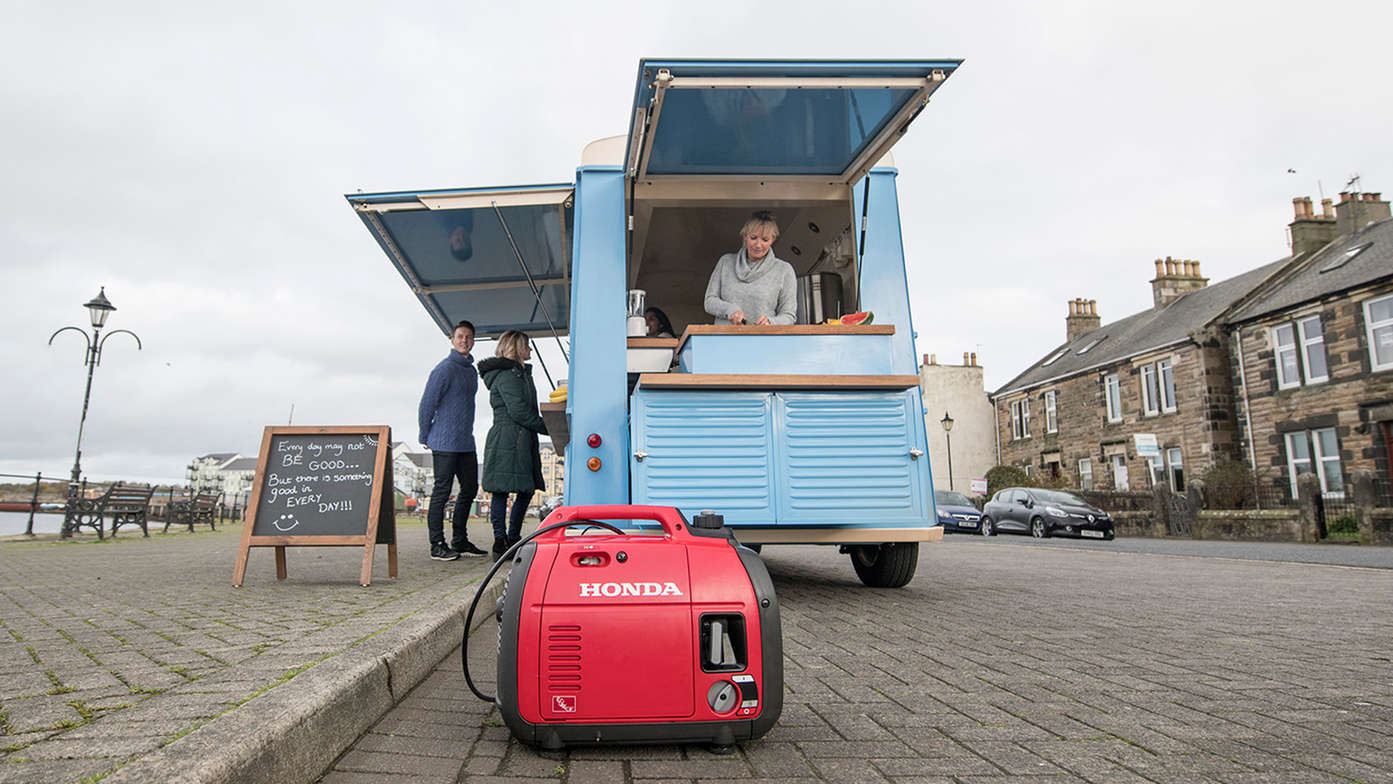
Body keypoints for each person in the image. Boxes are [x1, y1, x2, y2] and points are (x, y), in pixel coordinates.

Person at [417, 320, 487, 560]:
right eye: (460, 336)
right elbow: (427, 404)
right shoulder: (444, 369)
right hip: (444, 441)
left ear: (473, 341)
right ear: (452, 340)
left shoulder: (471, 371)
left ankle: (459, 540)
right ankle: (437, 544)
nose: (464, 340)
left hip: (465, 442)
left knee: (470, 488)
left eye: (468, 337)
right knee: (442, 491)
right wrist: (424, 434)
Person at [478, 330, 549, 560]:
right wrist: (548, 427)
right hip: (509, 438)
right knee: (503, 490)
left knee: (523, 489)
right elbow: (518, 411)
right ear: (517, 348)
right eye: (527, 346)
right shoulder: (509, 375)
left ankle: (511, 539)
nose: (530, 350)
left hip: (518, 437)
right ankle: (503, 541)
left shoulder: (518, 374)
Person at [703, 211, 797, 326]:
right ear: (745, 237)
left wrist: (771, 322)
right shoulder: (725, 262)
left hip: (763, 337)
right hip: (724, 336)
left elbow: (789, 316)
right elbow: (709, 301)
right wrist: (730, 310)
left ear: (772, 240)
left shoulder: (784, 270)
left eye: (765, 240)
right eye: (753, 238)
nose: (758, 245)